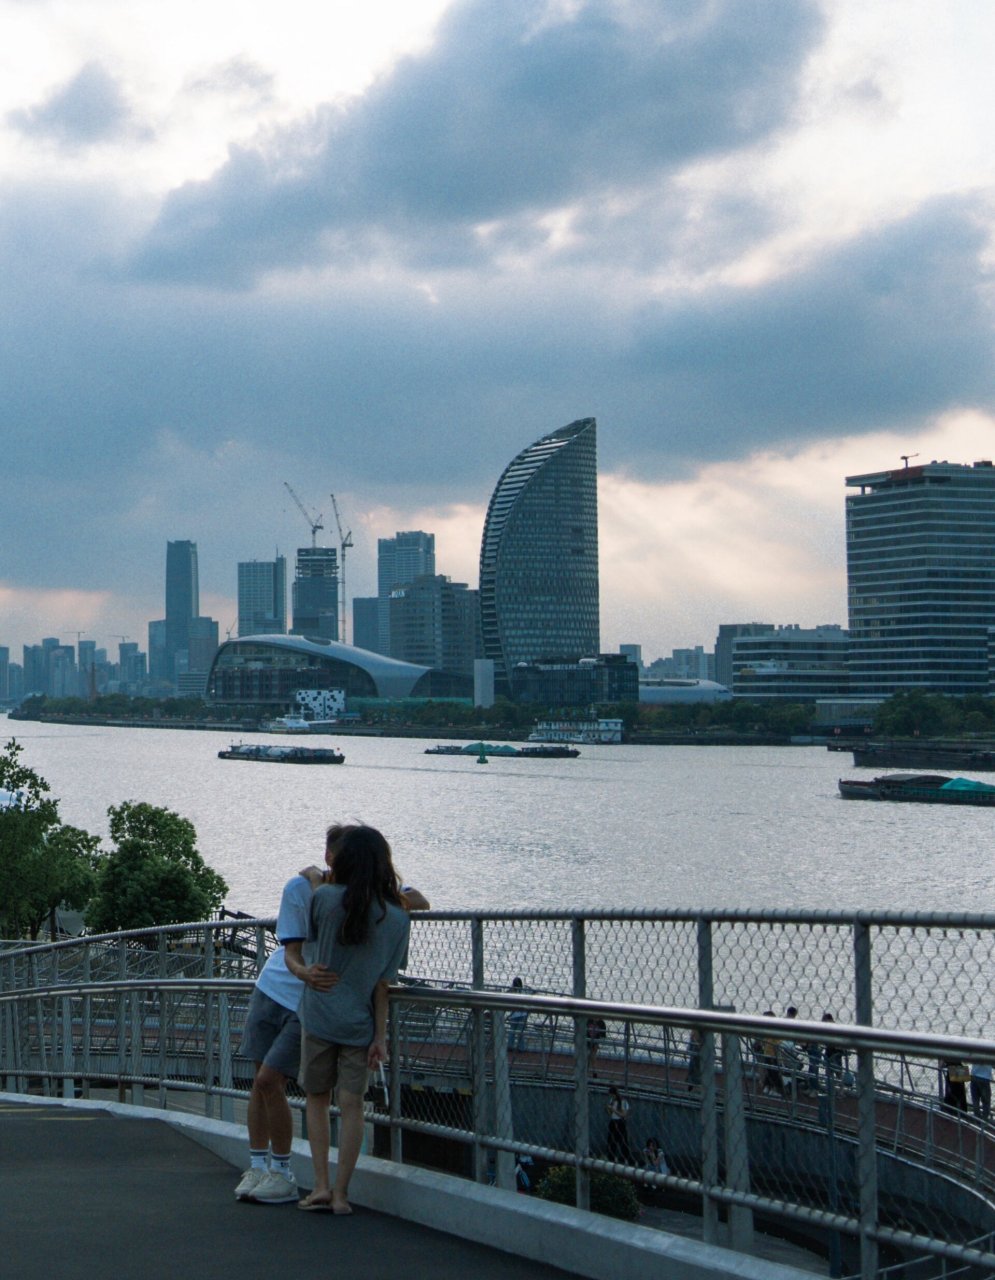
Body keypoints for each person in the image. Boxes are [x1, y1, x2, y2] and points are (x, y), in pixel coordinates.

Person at [287, 824, 412, 1214]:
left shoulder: (323, 898)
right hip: (360, 1023)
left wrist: (312, 878)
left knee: (317, 1100)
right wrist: (381, 1036)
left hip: (319, 1013)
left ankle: (321, 1185)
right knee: (353, 1105)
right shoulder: (396, 918)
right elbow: (383, 986)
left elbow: (308, 933)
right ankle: (343, 1193)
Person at [232, 823, 345, 1205]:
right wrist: (315, 885)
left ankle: (282, 1171)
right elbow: (293, 949)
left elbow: (416, 899)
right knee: (259, 1082)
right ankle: (259, 1165)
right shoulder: (298, 888)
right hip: (272, 988)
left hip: (308, 1003)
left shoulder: (360, 896)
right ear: (328, 856)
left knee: (269, 1080)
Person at [605, 1086, 631, 1163]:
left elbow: (624, 1115)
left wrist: (614, 1109)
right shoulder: (612, 1101)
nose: (611, 1097)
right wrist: (608, 1109)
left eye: (612, 1095)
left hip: (620, 1122)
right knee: (611, 1141)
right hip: (613, 1122)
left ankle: (625, 1158)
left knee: (623, 1142)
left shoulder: (623, 1102)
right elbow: (610, 1114)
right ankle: (611, 1157)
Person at [508, 976, 528, 1054]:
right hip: (522, 1014)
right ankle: (521, 1048)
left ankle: (510, 1046)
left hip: (515, 1014)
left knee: (512, 1031)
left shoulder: (512, 992)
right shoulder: (524, 992)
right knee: (520, 1033)